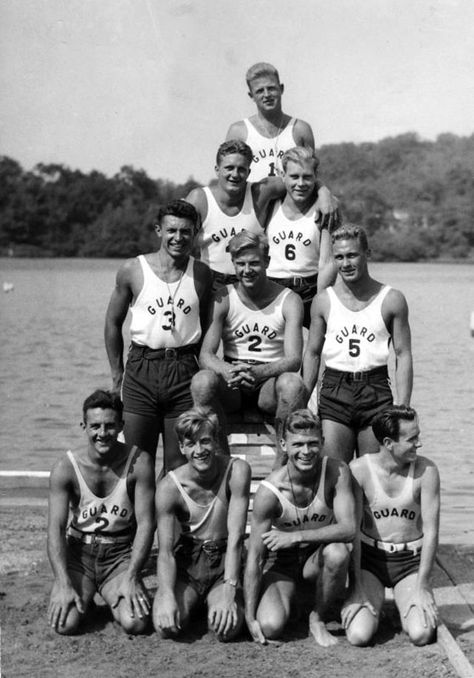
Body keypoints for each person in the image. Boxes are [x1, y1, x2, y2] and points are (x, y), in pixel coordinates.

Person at [104, 199, 213, 471]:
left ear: (195, 233)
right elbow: (111, 323)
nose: (178, 237)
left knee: (179, 465)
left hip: (184, 371)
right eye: (172, 231)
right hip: (142, 369)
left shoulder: (201, 273)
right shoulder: (133, 270)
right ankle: (140, 516)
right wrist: (117, 375)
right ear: (158, 231)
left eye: (186, 231)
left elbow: (210, 327)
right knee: (138, 462)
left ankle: (169, 514)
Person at [191, 230, 307, 466]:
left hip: (268, 382)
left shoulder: (289, 300)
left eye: (254, 263)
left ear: (267, 262)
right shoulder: (223, 297)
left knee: (293, 384)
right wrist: (228, 371)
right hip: (233, 379)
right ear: (233, 264)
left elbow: (294, 359)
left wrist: (259, 373)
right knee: (202, 381)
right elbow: (206, 355)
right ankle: (222, 460)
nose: (247, 270)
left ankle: (281, 465)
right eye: (240, 264)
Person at [47, 389, 155, 635]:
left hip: (118, 556)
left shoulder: (140, 463)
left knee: (135, 623)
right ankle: (84, 598)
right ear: (84, 426)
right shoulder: (66, 467)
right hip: (79, 555)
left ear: (121, 426)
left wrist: (132, 575)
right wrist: (63, 582)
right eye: (95, 426)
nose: (102, 434)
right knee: (65, 625)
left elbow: (147, 524)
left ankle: (109, 594)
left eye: (109, 426)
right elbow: (55, 528)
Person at [303, 224, 413, 463]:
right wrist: (303, 402)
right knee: (335, 473)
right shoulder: (323, 301)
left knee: (373, 477)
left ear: (367, 254)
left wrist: (402, 408)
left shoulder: (392, 299)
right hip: (335, 391)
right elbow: (312, 353)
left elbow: (403, 354)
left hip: (375, 391)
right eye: (339, 257)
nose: (346, 264)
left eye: (352, 255)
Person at [244, 409, 355, 646]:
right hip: (282, 564)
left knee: (338, 553)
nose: (306, 452)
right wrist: (250, 615)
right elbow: (254, 555)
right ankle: (294, 600)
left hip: (316, 559)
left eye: (313, 444)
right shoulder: (270, 491)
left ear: (323, 442)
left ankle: (317, 617)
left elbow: (349, 529)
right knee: (270, 627)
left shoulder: (337, 472)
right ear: (284, 445)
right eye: (298, 444)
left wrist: (295, 536)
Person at [342, 406, 440, 646]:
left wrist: (423, 586)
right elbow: (353, 532)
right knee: (358, 636)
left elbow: (431, 532)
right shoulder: (359, 470)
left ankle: (405, 601)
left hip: (409, 563)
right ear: (388, 442)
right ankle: (377, 601)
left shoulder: (427, 471)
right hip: (371, 562)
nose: (419, 444)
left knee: (421, 634)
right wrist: (355, 587)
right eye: (412, 439)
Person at [186, 140, 338, 290]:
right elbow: (180, 242)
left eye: (241, 169)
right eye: (229, 168)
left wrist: (324, 193)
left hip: (251, 283)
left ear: (249, 172)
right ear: (217, 169)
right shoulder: (200, 199)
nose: (235, 174)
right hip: (211, 281)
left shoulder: (262, 192)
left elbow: (300, 180)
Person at [153, 408, 251, 640]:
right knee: (166, 627)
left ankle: (215, 599)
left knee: (226, 630)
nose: (199, 450)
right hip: (189, 560)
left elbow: (237, 537)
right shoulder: (169, 487)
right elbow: (165, 552)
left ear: (215, 442)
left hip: (225, 553)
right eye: (192, 444)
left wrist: (229, 588)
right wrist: (166, 594)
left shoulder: (236, 471)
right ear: (182, 448)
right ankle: (194, 600)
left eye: (205, 441)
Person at [266, 146, 338, 328]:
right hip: (272, 288)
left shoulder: (325, 208)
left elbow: (327, 262)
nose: (300, 183)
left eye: (307, 177)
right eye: (294, 177)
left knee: (319, 349)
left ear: (316, 177)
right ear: (283, 176)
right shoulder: (269, 206)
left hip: (309, 288)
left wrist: (320, 303)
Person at [226, 63, 314, 181]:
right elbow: (227, 178)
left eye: (271, 88)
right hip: (251, 198)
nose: (266, 95)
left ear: (281, 89)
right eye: (260, 91)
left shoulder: (300, 129)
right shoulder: (238, 131)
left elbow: (312, 174)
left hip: (292, 198)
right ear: (251, 96)